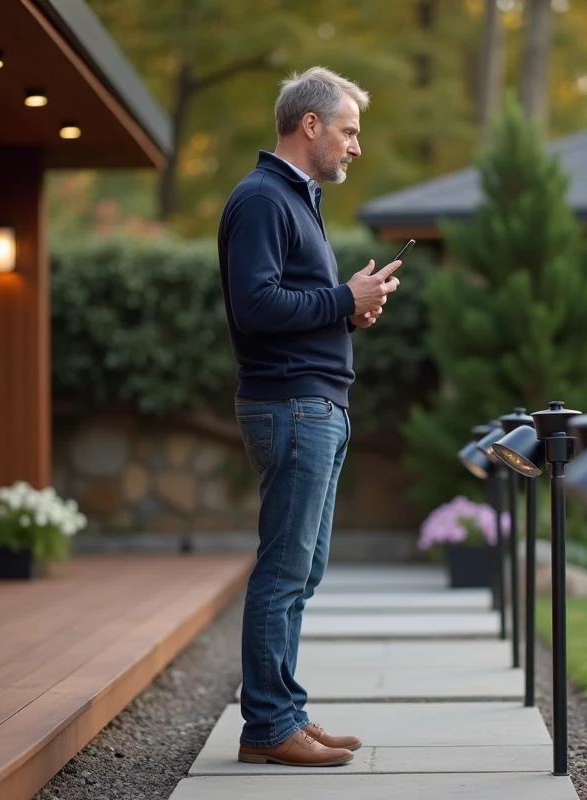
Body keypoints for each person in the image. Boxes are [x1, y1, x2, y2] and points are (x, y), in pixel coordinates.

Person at [216, 66, 400, 768]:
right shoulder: (263, 199)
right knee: (284, 571)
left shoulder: (296, 199)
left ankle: (284, 712)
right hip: (293, 405)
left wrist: (350, 308)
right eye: (349, 131)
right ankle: (267, 727)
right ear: (311, 124)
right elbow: (255, 308)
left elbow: (292, 305)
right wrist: (342, 300)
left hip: (314, 402)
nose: (356, 146)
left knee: (303, 570)